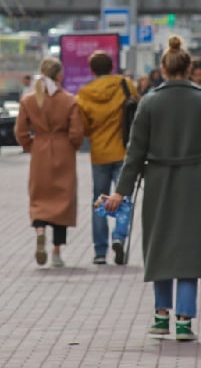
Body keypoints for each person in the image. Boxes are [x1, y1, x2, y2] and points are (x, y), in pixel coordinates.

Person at [103, 36, 201, 341]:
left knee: (160, 245)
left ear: (162, 68)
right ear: (189, 68)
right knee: (191, 248)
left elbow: (134, 153)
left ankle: (161, 317)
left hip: (158, 180)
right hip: (196, 181)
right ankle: (185, 321)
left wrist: (121, 191)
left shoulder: (149, 102)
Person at [15, 56, 84, 268]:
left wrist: (31, 146)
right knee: (62, 201)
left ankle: (40, 231)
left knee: (40, 197)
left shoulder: (28, 100)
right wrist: (72, 144)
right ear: (59, 75)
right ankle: (56, 252)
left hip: (40, 151)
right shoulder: (70, 101)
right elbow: (77, 132)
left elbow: (20, 131)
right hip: (63, 151)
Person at [74, 49, 137, 266]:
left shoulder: (85, 93)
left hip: (99, 153)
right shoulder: (125, 84)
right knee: (124, 199)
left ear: (92, 70)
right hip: (124, 150)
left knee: (99, 200)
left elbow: (84, 126)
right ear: (112, 66)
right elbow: (135, 112)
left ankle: (100, 251)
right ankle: (119, 237)